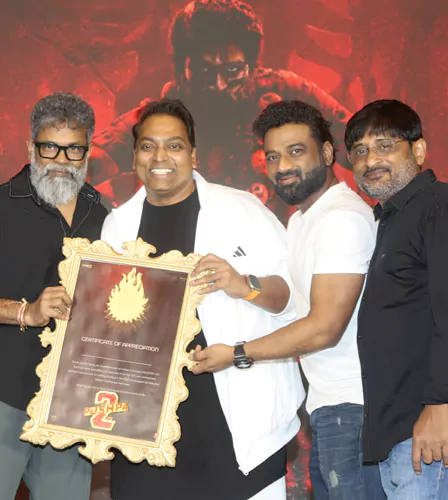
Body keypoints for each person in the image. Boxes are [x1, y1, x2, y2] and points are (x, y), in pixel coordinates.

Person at [101, 98, 305, 500]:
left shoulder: (242, 210)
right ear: (135, 156)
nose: (160, 157)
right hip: (147, 423)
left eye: (174, 146)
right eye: (148, 146)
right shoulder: (117, 225)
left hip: (235, 422)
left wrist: (243, 283)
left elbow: (292, 299)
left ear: (193, 155)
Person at [203, 99, 380, 499]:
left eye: (296, 151)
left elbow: (323, 328)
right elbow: (294, 303)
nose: (283, 166)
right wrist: (243, 285)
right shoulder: (303, 219)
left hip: (354, 407)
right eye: (273, 156)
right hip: (330, 408)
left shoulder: (341, 219)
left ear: (328, 153)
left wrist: (237, 353)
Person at [0, 92, 108, 500]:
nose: (61, 160)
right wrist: (25, 312)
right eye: (50, 147)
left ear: (88, 151)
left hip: (71, 403)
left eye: (74, 149)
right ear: (31, 146)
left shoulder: (104, 216)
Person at [90, 0, 357, 222]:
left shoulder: (286, 92)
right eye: (203, 70)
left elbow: (356, 145)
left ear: (251, 65)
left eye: (232, 71)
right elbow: (91, 162)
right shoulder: (163, 116)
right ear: (182, 67)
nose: (217, 85)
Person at [344, 99, 448, 499]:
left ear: (418, 150)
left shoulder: (437, 206)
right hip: (401, 435)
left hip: (427, 433)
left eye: (385, 146)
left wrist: (440, 404)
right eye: (359, 151)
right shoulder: (391, 219)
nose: (371, 160)